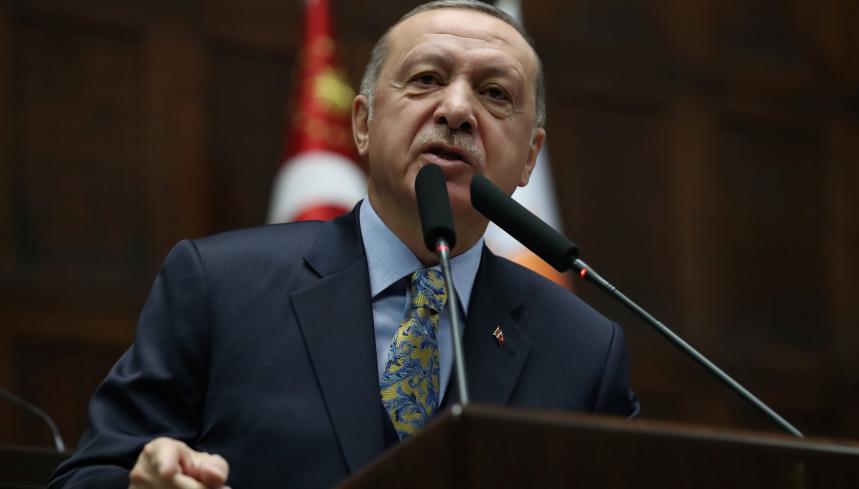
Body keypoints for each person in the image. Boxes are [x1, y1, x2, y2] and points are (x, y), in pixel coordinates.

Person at [49, 1, 638, 488]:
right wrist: (138, 484)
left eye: (494, 93)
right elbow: (86, 475)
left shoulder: (584, 351)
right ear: (361, 123)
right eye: (427, 79)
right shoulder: (217, 286)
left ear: (530, 157)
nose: (457, 110)